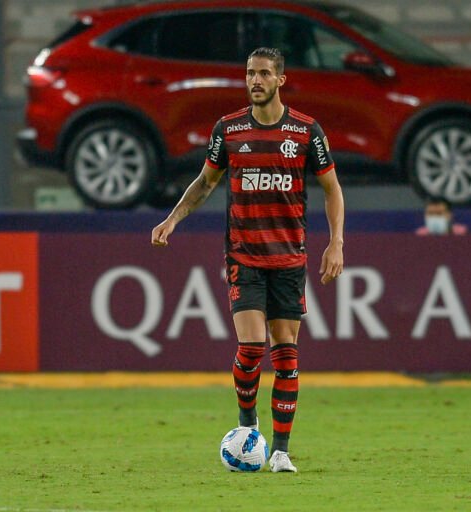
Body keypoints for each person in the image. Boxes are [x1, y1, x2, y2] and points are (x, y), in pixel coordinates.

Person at [151, 47, 344, 473]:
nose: (254, 80)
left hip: (290, 258)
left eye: (262, 74)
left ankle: (280, 452)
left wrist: (337, 242)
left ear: (280, 80)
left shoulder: (307, 132)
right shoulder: (229, 129)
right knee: (253, 345)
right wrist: (172, 219)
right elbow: (205, 182)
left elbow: (332, 188)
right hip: (245, 255)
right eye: (249, 73)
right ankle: (246, 423)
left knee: (287, 353)